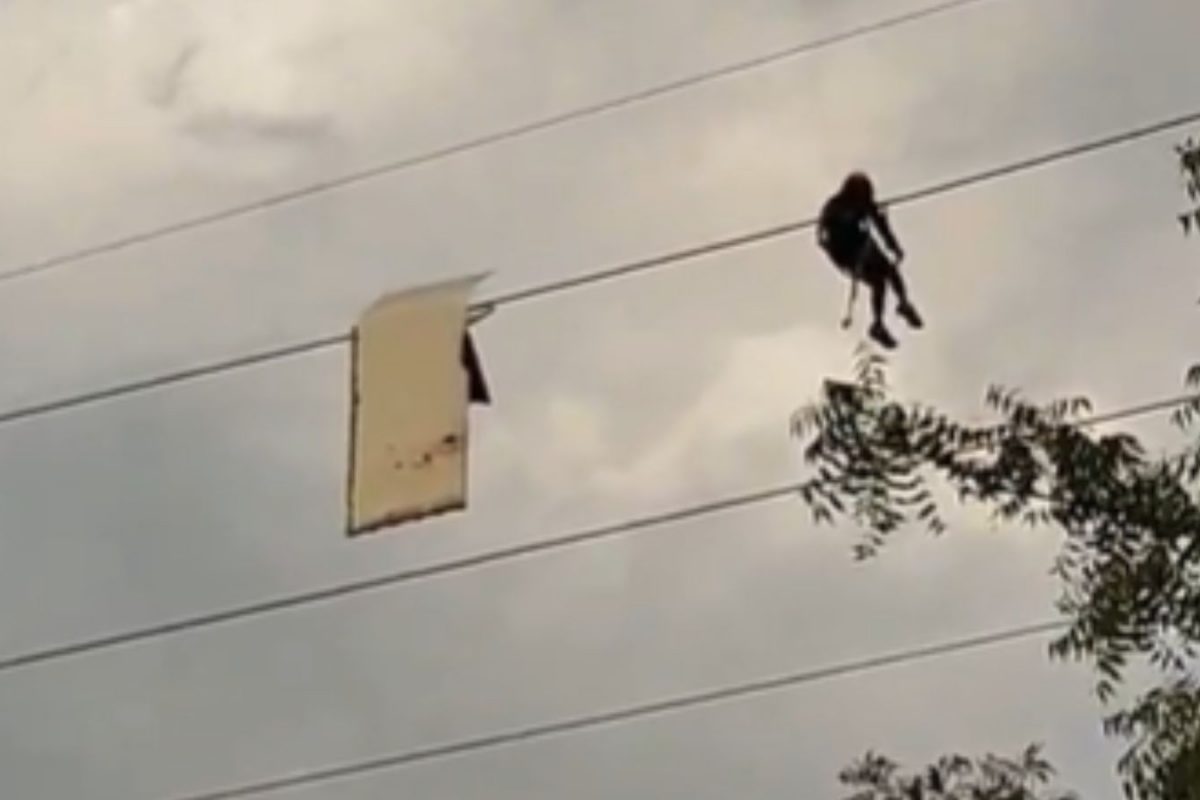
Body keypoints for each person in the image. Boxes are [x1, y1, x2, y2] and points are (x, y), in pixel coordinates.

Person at [817, 171, 922, 349]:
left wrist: (893, 246)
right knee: (879, 280)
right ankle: (880, 322)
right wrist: (836, 253)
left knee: (888, 273)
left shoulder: (865, 204)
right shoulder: (836, 205)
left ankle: (899, 306)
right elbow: (822, 234)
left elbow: (881, 226)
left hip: (862, 246)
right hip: (847, 253)